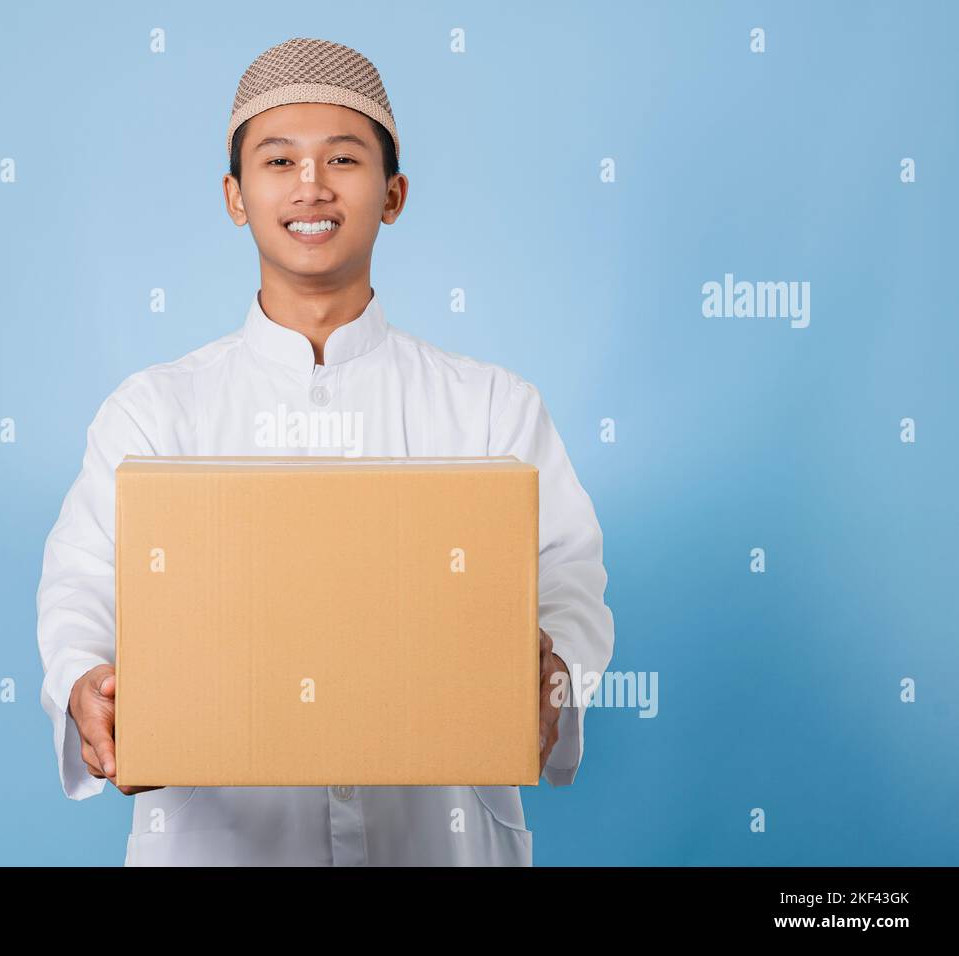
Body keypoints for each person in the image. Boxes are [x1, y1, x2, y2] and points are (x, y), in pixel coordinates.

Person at [36, 36, 615, 866]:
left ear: (394, 193)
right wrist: (85, 684)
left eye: (343, 157)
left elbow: (569, 581)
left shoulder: (491, 407)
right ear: (236, 197)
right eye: (279, 161)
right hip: (219, 843)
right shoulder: (155, 412)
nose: (311, 186)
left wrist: (551, 672)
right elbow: (82, 585)